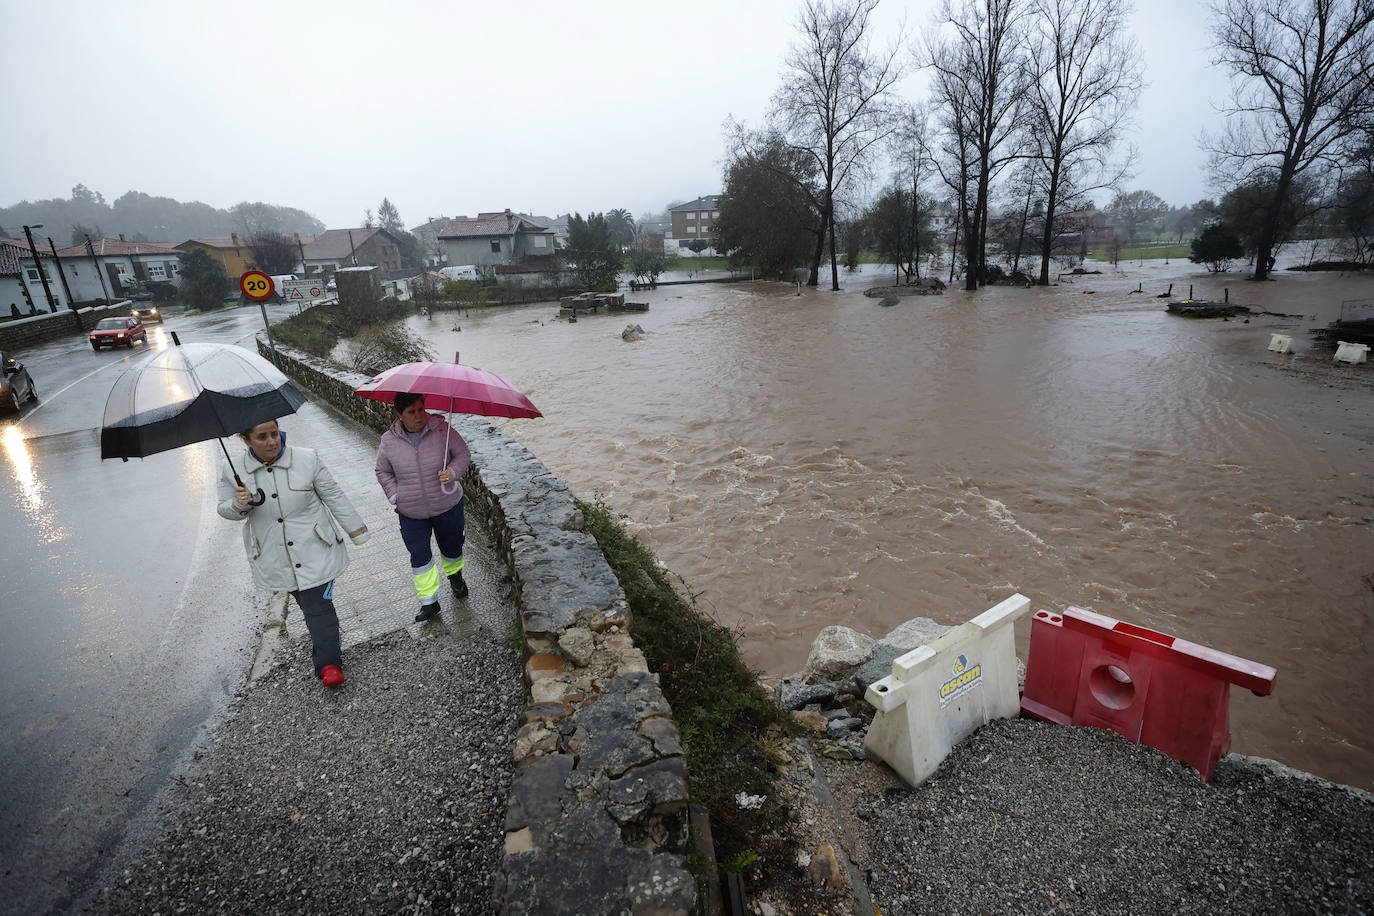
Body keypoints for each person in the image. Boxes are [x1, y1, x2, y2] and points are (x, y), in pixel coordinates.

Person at [217, 419, 369, 688]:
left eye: (274, 434)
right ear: (246, 440)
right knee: (310, 607)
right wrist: (238, 504)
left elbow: (333, 495)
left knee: (319, 606)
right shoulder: (233, 470)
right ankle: (324, 652)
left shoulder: (306, 458)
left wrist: (357, 532)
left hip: (315, 547)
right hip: (275, 556)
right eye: (262, 437)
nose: (272, 441)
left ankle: (329, 665)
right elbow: (224, 510)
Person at [374, 392, 471, 622]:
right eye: (411, 412)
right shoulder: (389, 441)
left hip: (447, 505)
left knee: (452, 546)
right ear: (399, 414)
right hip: (411, 512)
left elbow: (463, 454)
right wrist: (395, 495)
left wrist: (453, 472)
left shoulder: (442, 430)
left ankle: (455, 576)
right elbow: (382, 471)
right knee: (419, 555)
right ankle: (429, 602)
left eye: (421, 409)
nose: (419, 415)